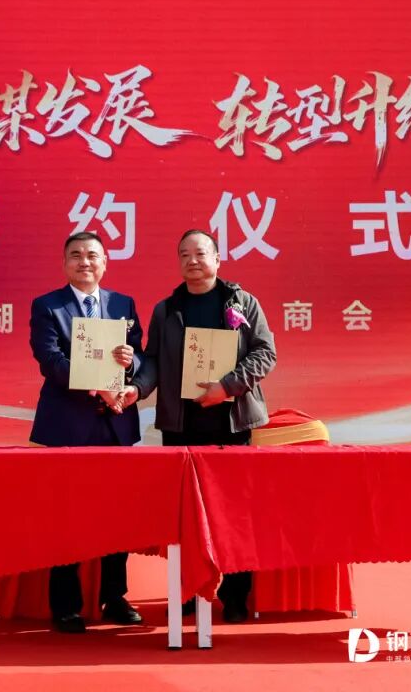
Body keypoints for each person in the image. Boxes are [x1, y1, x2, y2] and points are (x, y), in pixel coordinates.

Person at [130, 229, 277, 622]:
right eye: (184, 255)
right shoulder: (166, 310)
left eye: (200, 253)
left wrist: (226, 387)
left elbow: (265, 353)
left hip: (233, 422)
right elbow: (153, 360)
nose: (192, 261)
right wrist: (136, 389)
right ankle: (188, 591)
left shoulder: (242, 302)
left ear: (217, 259)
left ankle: (236, 596)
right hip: (181, 426)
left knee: (235, 513)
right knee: (185, 516)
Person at [27, 231, 144, 633]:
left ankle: (114, 596)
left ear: (105, 262)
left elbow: (139, 355)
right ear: (64, 264)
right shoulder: (48, 306)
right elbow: (50, 360)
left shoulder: (123, 304)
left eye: (92, 255)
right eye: (75, 255)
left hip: (116, 424)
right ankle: (65, 604)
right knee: (66, 515)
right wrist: (97, 385)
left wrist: (130, 369)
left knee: (118, 515)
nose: (84, 262)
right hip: (67, 425)